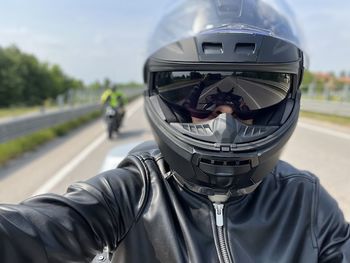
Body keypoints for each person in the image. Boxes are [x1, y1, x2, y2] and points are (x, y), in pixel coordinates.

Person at [0, 1, 349, 262]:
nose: (224, 121)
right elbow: (34, 229)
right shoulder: (134, 192)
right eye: (201, 96)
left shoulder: (306, 201)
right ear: (170, 99)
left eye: (251, 95)